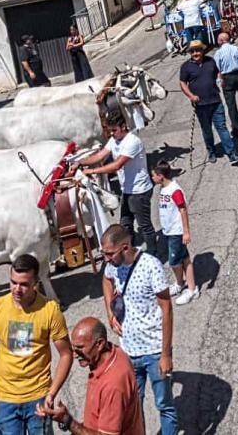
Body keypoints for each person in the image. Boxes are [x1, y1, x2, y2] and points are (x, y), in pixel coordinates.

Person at [0, 254, 73, 435]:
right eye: (13, 282)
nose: (17, 289)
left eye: (24, 284)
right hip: (4, 400)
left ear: (36, 283)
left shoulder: (50, 310)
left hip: (38, 399)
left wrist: (51, 392)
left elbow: (66, 354)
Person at [101, 224, 178, 435]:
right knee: (132, 408)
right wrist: (110, 311)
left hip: (154, 350)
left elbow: (166, 308)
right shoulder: (113, 266)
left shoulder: (151, 266)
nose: (106, 259)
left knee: (164, 405)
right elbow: (106, 281)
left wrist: (165, 354)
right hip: (128, 352)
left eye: (109, 253)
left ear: (125, 247)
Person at [36, 317, 143, 435]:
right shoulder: (114, 352)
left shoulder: (113, 385)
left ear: (100, 344)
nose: (75, 355)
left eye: (80, 348)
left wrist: (68, 421)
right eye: (73, 348)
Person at [73, 114, 157, 256]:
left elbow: (117, 166)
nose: (112, 134)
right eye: (110, 131)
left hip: (139, 190)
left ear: (123, 127)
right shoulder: (114, 140)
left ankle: (153, 254)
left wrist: (91, 171)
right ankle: (130, 253)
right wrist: (79, 162)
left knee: (144, 225)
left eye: (114, 130)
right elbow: (100, 156)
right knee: (125, 224)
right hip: (128, 190)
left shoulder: (132, 142)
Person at [179, 40, 238, 165]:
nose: (195, 53)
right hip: (200, 104)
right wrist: (191, 96)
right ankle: (211, 152)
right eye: (193, 51)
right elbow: (182, 83)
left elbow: (217, 73)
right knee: (207, 130)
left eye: (198, 50)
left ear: (202, 51)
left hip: (215, 101)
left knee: (222, 127)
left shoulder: (210, 61)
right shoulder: (186, 67)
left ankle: (232, 154)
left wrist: (220, 80)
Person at [151, 160, 199, 305]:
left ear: (161, 176)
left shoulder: (175, 190)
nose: (152, 178)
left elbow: (183, 210)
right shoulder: (163, 189)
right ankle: (190, 287)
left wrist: (186, 232)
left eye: (153, 175)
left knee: (174, 262)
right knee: (185, 259)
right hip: (169, 231)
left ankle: (184, 286)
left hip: (176, 232)